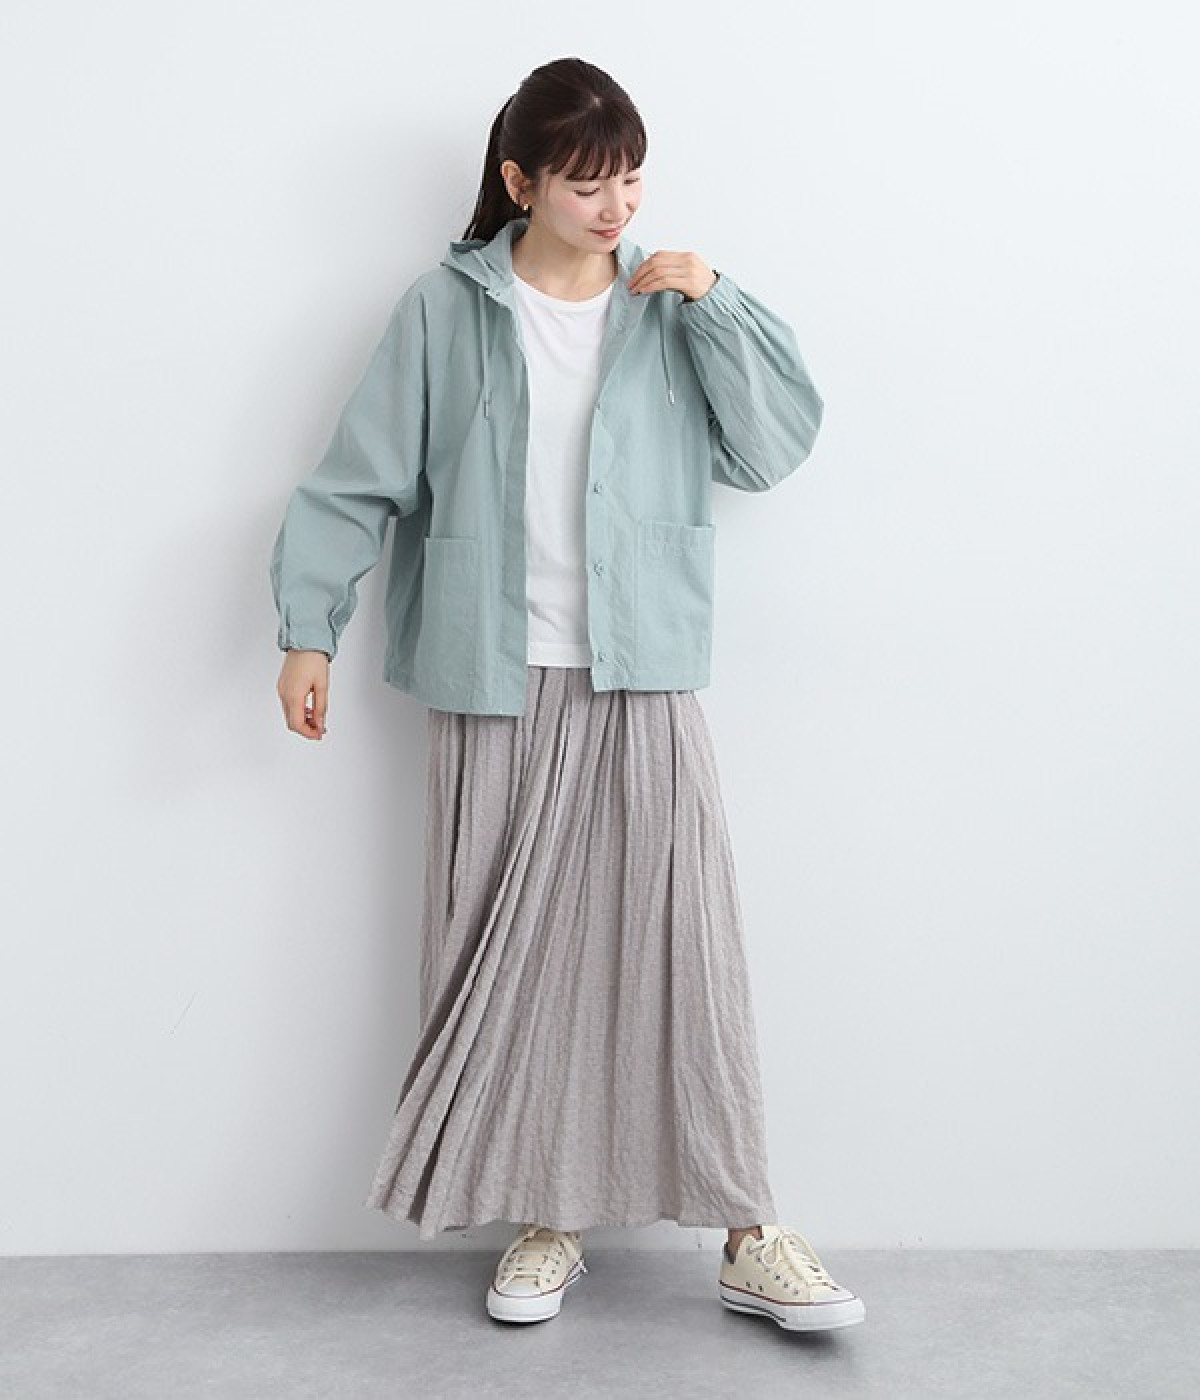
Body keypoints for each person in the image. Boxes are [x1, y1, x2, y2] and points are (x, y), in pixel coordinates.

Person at [270, 56, 865, 1334]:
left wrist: (721, 303)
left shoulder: (670, 305)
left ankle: (749, 1228)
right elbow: (357, 477)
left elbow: (773, 448)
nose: (617, 206)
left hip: (641, 670)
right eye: (590, 183)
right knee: (512, 968)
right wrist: (307, 630)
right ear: (520, 181)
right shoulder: (445, 308)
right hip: (492, 676)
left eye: (632, 178)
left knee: (684, 951)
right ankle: (549, 1219)